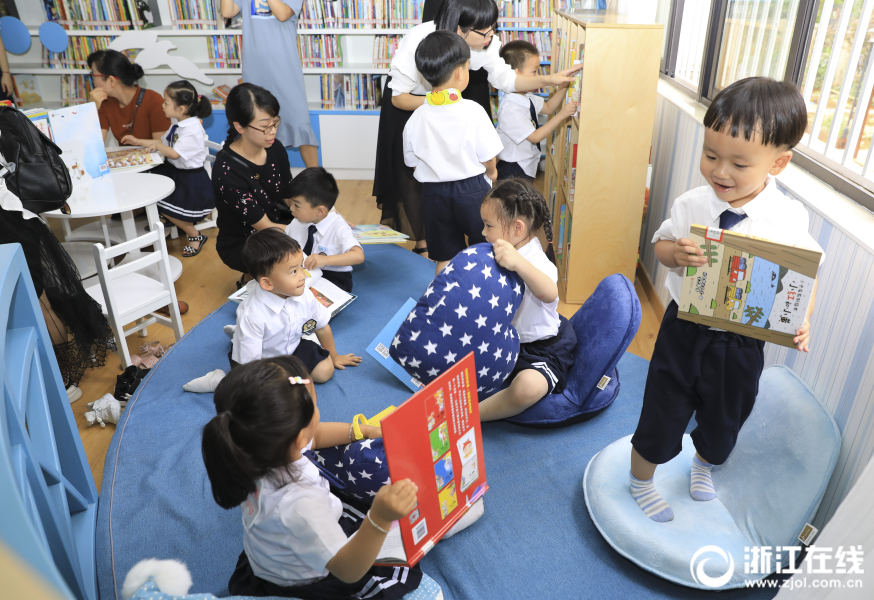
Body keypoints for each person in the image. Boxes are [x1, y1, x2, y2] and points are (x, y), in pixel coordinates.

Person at [628, 77, 824, 523]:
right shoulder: (694, 203)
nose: (720, 172)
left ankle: (703, 465)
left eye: (739, 164)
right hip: (683, 330)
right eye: (711, 155)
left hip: (739, 343)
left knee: (725, 419)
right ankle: (641, 479)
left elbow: (802, 278)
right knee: (662, 408)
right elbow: (659, 246)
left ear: (778, 163)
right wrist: (673, 253)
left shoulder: (787, 217)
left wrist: (803, 320)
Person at [201, 355, 423, 599]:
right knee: (401, 550)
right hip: (309, 577)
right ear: (298, 438)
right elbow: (348, 569)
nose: (319, 413)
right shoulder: (302, 507)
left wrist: (358, 431)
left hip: (272, 555)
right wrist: (379, 519)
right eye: (316, 407)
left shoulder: (250, 449)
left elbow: (314, 436)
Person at [373, 0, 581, 259]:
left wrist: (551, 79)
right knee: (421, 193)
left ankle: (442, 259)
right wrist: (439, 103)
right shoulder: (421, 39)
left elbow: (507, 79)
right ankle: (425, 245)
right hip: (413, 105)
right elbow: (398, 98)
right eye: (485, 31)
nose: (491, 36)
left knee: (441, 205)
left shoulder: (484, 48)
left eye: (493, 27)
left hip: (440, 111)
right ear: (460, 29)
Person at [476, 178, 577, 422]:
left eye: (488, 226)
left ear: (517, 229)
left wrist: (519, 264)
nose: (483, 232)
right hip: (504, 342)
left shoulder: (537, 261)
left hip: (542, 349)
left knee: (527, 389)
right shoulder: (495, 252)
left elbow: (549, 293)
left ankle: (472, 416)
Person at [403, 31, 503, 275]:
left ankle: (444, 303)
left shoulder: (416, 117)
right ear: (461, 72)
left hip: (433, 195)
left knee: (444, 256)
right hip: (472, 191)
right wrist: (492, 173)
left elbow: (412, 163)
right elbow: (489, 157)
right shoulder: (473, 110)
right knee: (486, 247)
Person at [231, 229, 361, 381]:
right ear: (267, 283)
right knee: (275, 388)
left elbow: (322, 326)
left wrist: (335, 356)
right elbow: (249, 367)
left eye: (301, 267)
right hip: (263, 360)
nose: (303, 275)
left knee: (325, 372)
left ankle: (241, 335)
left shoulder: (304, 293)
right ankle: (238, 342)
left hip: (293, 346)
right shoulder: (252, 314)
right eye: (293, 271)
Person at [219, 0, 318, 168]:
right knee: (257, 124)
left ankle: (317, 180)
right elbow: (228, 12)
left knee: (299, 120)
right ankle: (263, 177)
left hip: (285, 67)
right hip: (255, 67)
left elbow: (282, 14)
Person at [121, 80, 215, 257]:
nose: (162, 106)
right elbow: (163, 142)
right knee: (153, 192)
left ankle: (195, 235)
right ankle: (168, 217)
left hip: (190, 179)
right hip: (176, 172)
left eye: (166, 103)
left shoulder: (192, 129)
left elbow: (173, 153)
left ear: (181, 109)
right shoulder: (178, 123)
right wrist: (138, 141)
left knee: (165, 204)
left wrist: (158, 148)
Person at [213, 83, 294, 276]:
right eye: (265, 127)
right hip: (248, 242)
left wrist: (321, 216)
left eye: (275, 123)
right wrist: (308, 230)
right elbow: (265, 228)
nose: (273, 131)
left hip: (279, 222)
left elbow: (289, 194)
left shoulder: (275, 148)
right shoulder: (227, 170)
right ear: (239, 126)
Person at [495, 41, 578, 180]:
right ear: (516, 74)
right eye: (534, 71)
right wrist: (562, 115)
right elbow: (535, 137)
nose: (538, 76)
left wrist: (564, 84)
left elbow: (549, 108)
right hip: (513, 168)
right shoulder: (510, 109)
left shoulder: (527, 96)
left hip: (527, 165)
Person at [285, 167, 364, 293]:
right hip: (303, 272)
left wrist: (325, 260)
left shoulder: (339, 226)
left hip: (333, 277)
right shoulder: (297, 221)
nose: (291, 209)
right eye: (291, 203)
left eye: (296, 205)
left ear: (320, 211)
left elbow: (358, 256)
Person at [87, 49, 171, 144]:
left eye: (93, 75)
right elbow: (95, 144)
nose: (93, 81)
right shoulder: (103, 102)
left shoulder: (153, 100)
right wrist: (91, 109)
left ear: (111, 80)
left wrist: (138, 142)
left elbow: (163, 144)